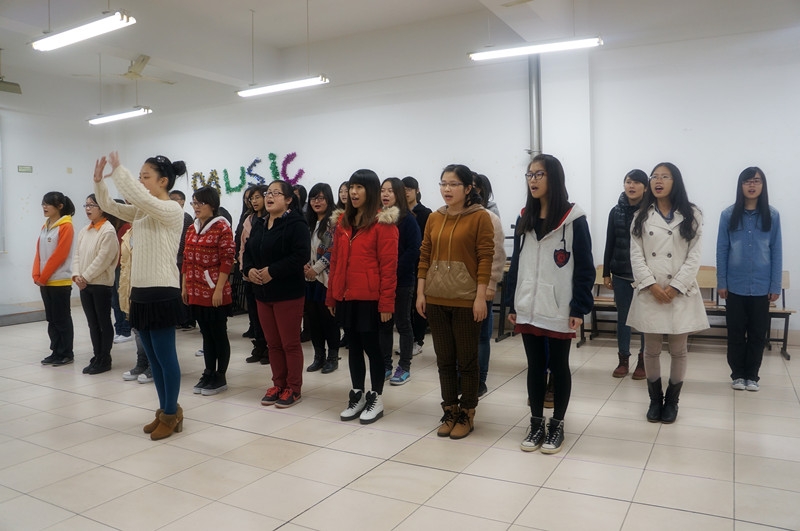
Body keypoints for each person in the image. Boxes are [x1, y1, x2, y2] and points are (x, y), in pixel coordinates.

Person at [94, 152, 186, 441]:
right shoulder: (143, 212)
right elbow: (109, 206)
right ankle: (165, 410)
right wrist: (99, 182)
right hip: (141, 293)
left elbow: (139, 197)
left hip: (162, 291)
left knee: (165, 357)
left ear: (163, 181)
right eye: (140, 176)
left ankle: (171, 413)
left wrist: (119, 171)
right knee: (153, 359)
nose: (141, 181)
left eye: (146, 176)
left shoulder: (170, 209)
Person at [507, 154, 594, 454]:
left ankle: (557, 424)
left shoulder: (574, 220)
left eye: (539, 174)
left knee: (558, 367)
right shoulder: (525, 218)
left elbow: (585, 268)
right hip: (528, 305)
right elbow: (516, 264)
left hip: (558, 308)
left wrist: (579, 307)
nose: (532, 180)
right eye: (529, 175)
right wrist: (512, 303)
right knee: (534, 367)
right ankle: (535, 423)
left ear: (553, 177)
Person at [416, 164, 494, 440]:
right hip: (436, 298)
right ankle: (449, 409)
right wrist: (421, 293)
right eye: (443, 184)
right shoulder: (434, 218)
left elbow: (485, 258)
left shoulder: (480, 217)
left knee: (468, 361)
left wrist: (481, 297)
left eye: (453, 184)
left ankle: (467, 412)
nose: (447, 189)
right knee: (445, 360)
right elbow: (425, 255)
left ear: (468, 188)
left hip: (466, 300)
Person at [628, 162, 709, 424]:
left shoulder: (692, 214)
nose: (658, 181)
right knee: (651, 350)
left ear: (676, 182)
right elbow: (636, 255)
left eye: (665, 176)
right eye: (655, 177)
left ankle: (672, 402)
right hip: (650, 291)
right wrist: (651, 285)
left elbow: (694, 256)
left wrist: (675, 287)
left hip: (680, 291)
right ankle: (655, 401)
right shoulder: (641, 215)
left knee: (679, 349)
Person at [327, 170, 398, 424]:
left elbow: (389, 268)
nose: (353, 192)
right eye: (351, 187)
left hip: (371, 298)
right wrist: (332, 296)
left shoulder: (383, 224)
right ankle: (357, 394)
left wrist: (386, 303)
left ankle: (376, 397)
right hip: (346, 296)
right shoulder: (343, 222)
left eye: (359, 187)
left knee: (373, 349)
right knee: (354, 348)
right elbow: (335, 262)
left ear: (371, 191)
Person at [243, 180, 310, 409]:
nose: (269, 197)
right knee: (273, 344)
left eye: (276, 193)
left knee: (289, 343)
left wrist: (272, 271)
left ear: (289, 199)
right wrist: (249, 270)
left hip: (288, 293)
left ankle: (294, 388)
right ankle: (278, 384)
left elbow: (300, 255)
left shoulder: (296, 224)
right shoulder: (260, 223)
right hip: (263, 293)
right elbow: (248, 252)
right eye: (268, 193)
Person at [716, 167, 782, 392]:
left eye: (757, 181)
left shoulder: (772, 215)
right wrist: (722, 282)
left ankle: (752, 375)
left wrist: (775, 285)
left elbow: (776, 251)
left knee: (757, 334)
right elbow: (722, 249)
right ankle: (737, 375)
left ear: (763, 185)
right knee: (735, 333)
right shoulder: (728, 215)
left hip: (762, 286)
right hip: (735, 285)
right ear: (740, 185)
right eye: (747, 181)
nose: (752, 185)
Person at [183, 186, 235, 396]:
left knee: (218, 333)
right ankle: (208, 372)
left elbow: (227, 260)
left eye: (200, 203)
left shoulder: (222, 227)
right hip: (195, 289)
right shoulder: (191, 228)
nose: (196, 207)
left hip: (214, 290)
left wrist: (219, 289)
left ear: (212, 205)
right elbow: (186, 259)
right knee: (205, 334)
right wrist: (185, 285)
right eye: (194, 203)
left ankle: (220, 376)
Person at [603, 169, 648, 379]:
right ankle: (623, 359)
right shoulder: (615, 211)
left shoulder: (650, 212)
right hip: (621, 274)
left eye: (637, 183)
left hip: (645, 276)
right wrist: (606, 273)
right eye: (628, 182)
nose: (632, 186)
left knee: (645, 320)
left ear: (645, 188)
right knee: (624, 318)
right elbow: (609, 242)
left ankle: (644, 360)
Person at [72, 194, 120, 374]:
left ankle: (105, 358)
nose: (87, 209)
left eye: (92, 205)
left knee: (103, 322)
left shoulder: (108, 230)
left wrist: (84, 277)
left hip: (100, 284)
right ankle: (97, 355)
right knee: (92, 323)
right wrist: (76, 275)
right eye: (86, 205)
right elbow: (77, 255)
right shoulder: (84, 230)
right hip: (84, 284)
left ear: (102, 208)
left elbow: (103, 259)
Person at [380, 177, 421, 385]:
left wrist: (393, 270)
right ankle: (385, 365)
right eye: (383, 190)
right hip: (382, 281)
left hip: (402, 280)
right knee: (384, 324)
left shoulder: (408, 219)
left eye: (390, 191)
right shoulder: (378, 218)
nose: (385, 194)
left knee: (403, 324)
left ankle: (404, 366)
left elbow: (414, 250)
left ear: (399, 194)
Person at [473, 173, 507, 397]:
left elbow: (496, 252)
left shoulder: (491, 214)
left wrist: (491, 283)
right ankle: (463, 377)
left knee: (482, 335)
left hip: (484, 281)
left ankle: (480, 379)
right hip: (463, 285)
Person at [33, 191, 76, 367]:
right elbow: (39, 253)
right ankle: (55, 351)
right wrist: (36, 275)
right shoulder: (45, 226)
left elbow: (60, 255)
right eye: (43, 203)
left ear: (59, 206)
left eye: (47, 204)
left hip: (59, 281)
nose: (44, 207)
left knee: (61, 318)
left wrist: (43, 276)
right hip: (45, 281)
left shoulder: (66, 226)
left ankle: (66, 353)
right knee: (51, 319)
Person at [303, 183, 340, 374]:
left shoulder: (334, 222)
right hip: (308, 278)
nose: (316, 202)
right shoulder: (307, 222)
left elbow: (334, 250)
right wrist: (304, 266)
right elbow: (302, 247)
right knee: (313, 319)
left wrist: (316, 268)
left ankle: (333, 357)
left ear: (328, 199)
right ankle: (319, 356)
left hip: (325, 278)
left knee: (328, 320)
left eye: (321, 198)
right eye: (313, 198)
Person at [239, 185, 270, 364]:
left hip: (266, 274)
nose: (254, 201)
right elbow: (243, 247)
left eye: (258, 197)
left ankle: (269, 349)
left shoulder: (270, 218)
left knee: (266, 317)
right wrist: (245, 269)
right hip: (249, 273)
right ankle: (258, 346)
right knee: (254, 314)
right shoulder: (249, 219)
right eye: (252, 198)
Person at [118, 225, 153, 384]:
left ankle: (153, 365)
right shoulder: (129, 233)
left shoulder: (150, 230)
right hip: (129, 285)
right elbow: (124, 264)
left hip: (146, 286)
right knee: (137, 328)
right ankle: (142, 363)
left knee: (149, 328)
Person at [403, 176, 432, 356]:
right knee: (405, 306)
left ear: (417, 191)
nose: (406, 192)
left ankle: (418, 340)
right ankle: (408, 339)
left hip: (419, 263)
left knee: (418, 303)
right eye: (403, 189)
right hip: (403, 264)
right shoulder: (396, 213)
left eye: (409, 189)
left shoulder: (425, 213)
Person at [171, 189, 196, 331]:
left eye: (175, 199)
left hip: (182, 258)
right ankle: (180, 318)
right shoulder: (171, 217)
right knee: (177, 290)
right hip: (173, 259)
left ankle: (188, 320)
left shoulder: (185, 218)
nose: (172, 202)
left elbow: (183, 241)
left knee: (184, 289)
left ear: (182, 201)